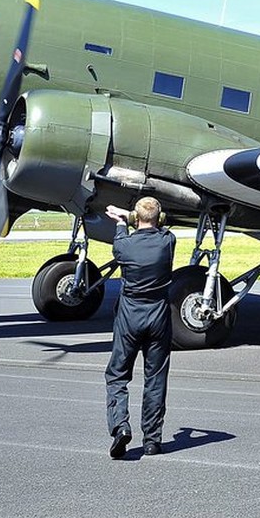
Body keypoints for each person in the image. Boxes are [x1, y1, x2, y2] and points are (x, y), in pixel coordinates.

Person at [103, 196, 177, 458]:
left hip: (129, 317)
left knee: (117, 375)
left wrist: (123, 221)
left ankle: (120, 426)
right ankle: (152, 440)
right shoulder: (168, 242)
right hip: (158, 317)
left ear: (136, 218)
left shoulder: (123, 245)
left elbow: (122, 234)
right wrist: (134, 216)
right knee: (155, 379)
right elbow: (164, 226)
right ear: (160, 217)